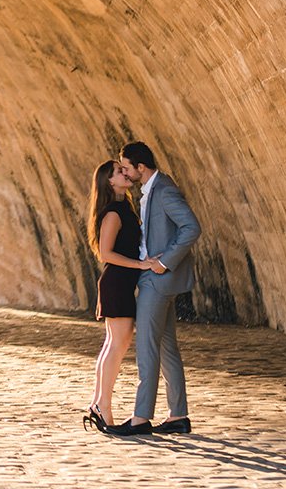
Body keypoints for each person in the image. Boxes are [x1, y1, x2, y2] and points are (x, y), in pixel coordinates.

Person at [107, 140, 201, 438]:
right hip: (157, 278)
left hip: (158, 280)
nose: (124, 171)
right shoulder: (150, 190)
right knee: (167, 347)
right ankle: (178, 415)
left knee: (147, 348)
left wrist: (165, 263)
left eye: (126, 167)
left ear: (141, 168)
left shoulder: (164, 191)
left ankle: (140, 418)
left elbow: (191, 227)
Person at [83, 160, 153, 433]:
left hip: (120, 282)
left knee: (113, 344)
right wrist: (141, 265)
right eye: (118, 172)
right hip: (116, 282)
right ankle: (104, 407)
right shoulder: (113, 212)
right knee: (116, 345)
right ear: (109, 182)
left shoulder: (125, 207)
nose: (125, 173)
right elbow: (106, 253)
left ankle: (97, 404)